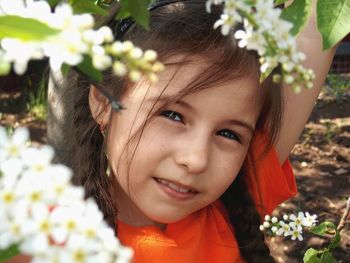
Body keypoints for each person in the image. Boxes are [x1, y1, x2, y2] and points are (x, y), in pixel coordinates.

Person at [8, 0, 336, 262]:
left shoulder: (235, 209)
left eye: (229, 134)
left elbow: (316, 27)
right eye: (173, 115)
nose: (195, 159)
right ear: (104, 103)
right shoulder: (41, 237)